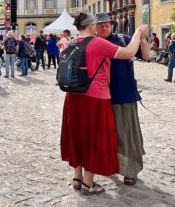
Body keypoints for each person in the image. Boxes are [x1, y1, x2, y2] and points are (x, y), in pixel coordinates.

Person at [61, 12, 148, 195]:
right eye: (96, 24)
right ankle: (87, 183)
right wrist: (138, 33)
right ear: (91, 26)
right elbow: (129, 52)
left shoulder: (72, 42)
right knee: (95, 139)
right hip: (96, 98)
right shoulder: (97, 43)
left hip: (73, 97)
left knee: (78, 136)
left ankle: (77, 177)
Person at [96, 13, 149, 186]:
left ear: (112, 25)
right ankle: (110, 165)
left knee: (128, 134)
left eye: (107, 25)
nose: (104, 28)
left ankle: (131, 170)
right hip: (101, 97)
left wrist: (142, 38)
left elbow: (147, 56)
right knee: (107, 135)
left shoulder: (123, 39)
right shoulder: (94, 43)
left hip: (124, 94)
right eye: (100, 25)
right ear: (94, 27)